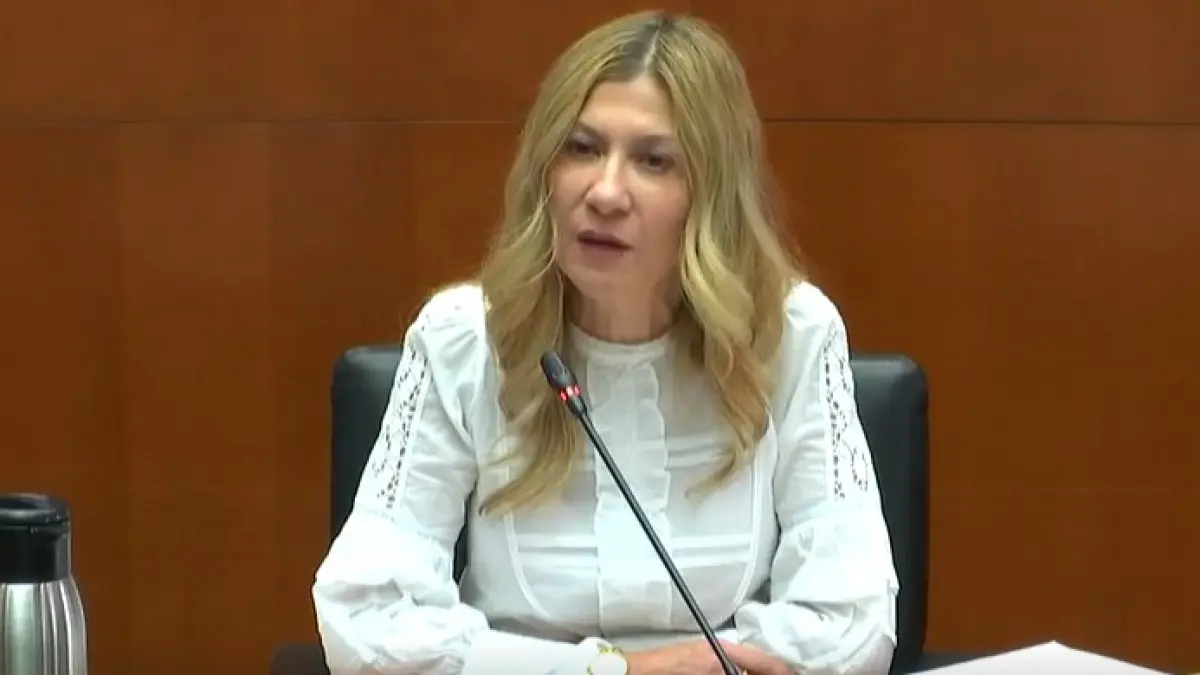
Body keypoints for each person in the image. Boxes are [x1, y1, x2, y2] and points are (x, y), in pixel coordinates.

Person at [312, 10, 899, 675]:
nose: (606, 192)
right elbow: (365, 618)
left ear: (712, 193)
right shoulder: (464, 341)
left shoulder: (789, 336)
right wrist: (610, 671)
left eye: (654, 160)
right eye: (582, 148)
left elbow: (853, 620)